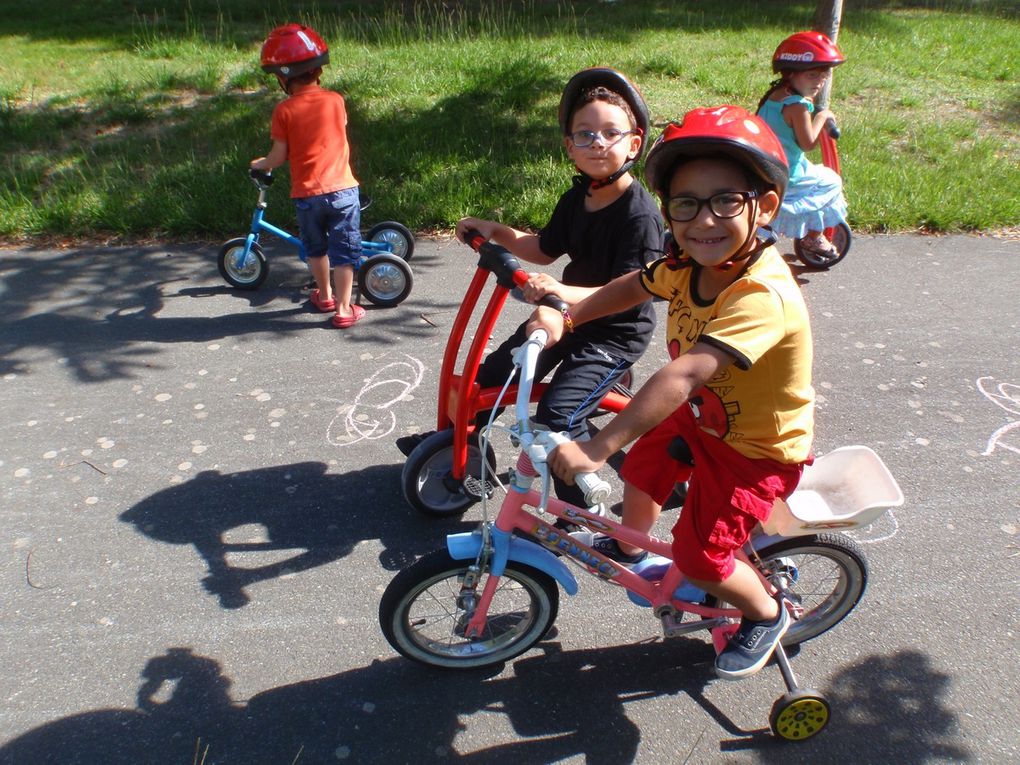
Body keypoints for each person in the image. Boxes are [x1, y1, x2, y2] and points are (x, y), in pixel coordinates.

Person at [529, 105, 815, 680]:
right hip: (702, 421)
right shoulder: (685, 263)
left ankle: (765, 612)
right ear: (668, 211)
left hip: (754, 452)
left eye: (725, 201)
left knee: (699, 557)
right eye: (686, 203)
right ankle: (632, 547)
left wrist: (597, 447)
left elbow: (684, 375)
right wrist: (574, 313)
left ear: (765, 206)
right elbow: (636, 284)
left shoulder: (763, 295)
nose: (703, 220)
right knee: (646, 469)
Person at [397, 68, 663, 511]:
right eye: (585, 134)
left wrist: (562, 292)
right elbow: (541, 249)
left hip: (613, 333)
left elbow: (635, 288)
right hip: (569, 315)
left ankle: (579, 508)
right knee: (496, 374)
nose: (598, 142)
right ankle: (458, 442)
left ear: (634, 143)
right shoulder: (576, 199)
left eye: (611, 133)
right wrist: (495, 231)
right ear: (570, 147)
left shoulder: (639, 215)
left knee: (556, 415)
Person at [251, 23, 365, 328]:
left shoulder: (283, 111)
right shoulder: (336, 101)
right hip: (342, 190)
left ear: (282, 77)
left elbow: (278, 156)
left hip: (307, 195)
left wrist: (261, 163)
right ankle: (343, 309)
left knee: (315, 248)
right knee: (344, 251)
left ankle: (324, 295)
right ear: (317, 71)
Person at [756, 30, 848, 263]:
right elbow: (807, 144)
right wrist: (823, 116)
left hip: (768, 165)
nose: (819, 82)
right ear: (790, 74)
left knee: (820, 177)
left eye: (824, 75)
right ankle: (813, 236)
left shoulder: (775, 95)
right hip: (790, 174)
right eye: (812, 76)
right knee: (830, 182)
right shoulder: (797, 106)